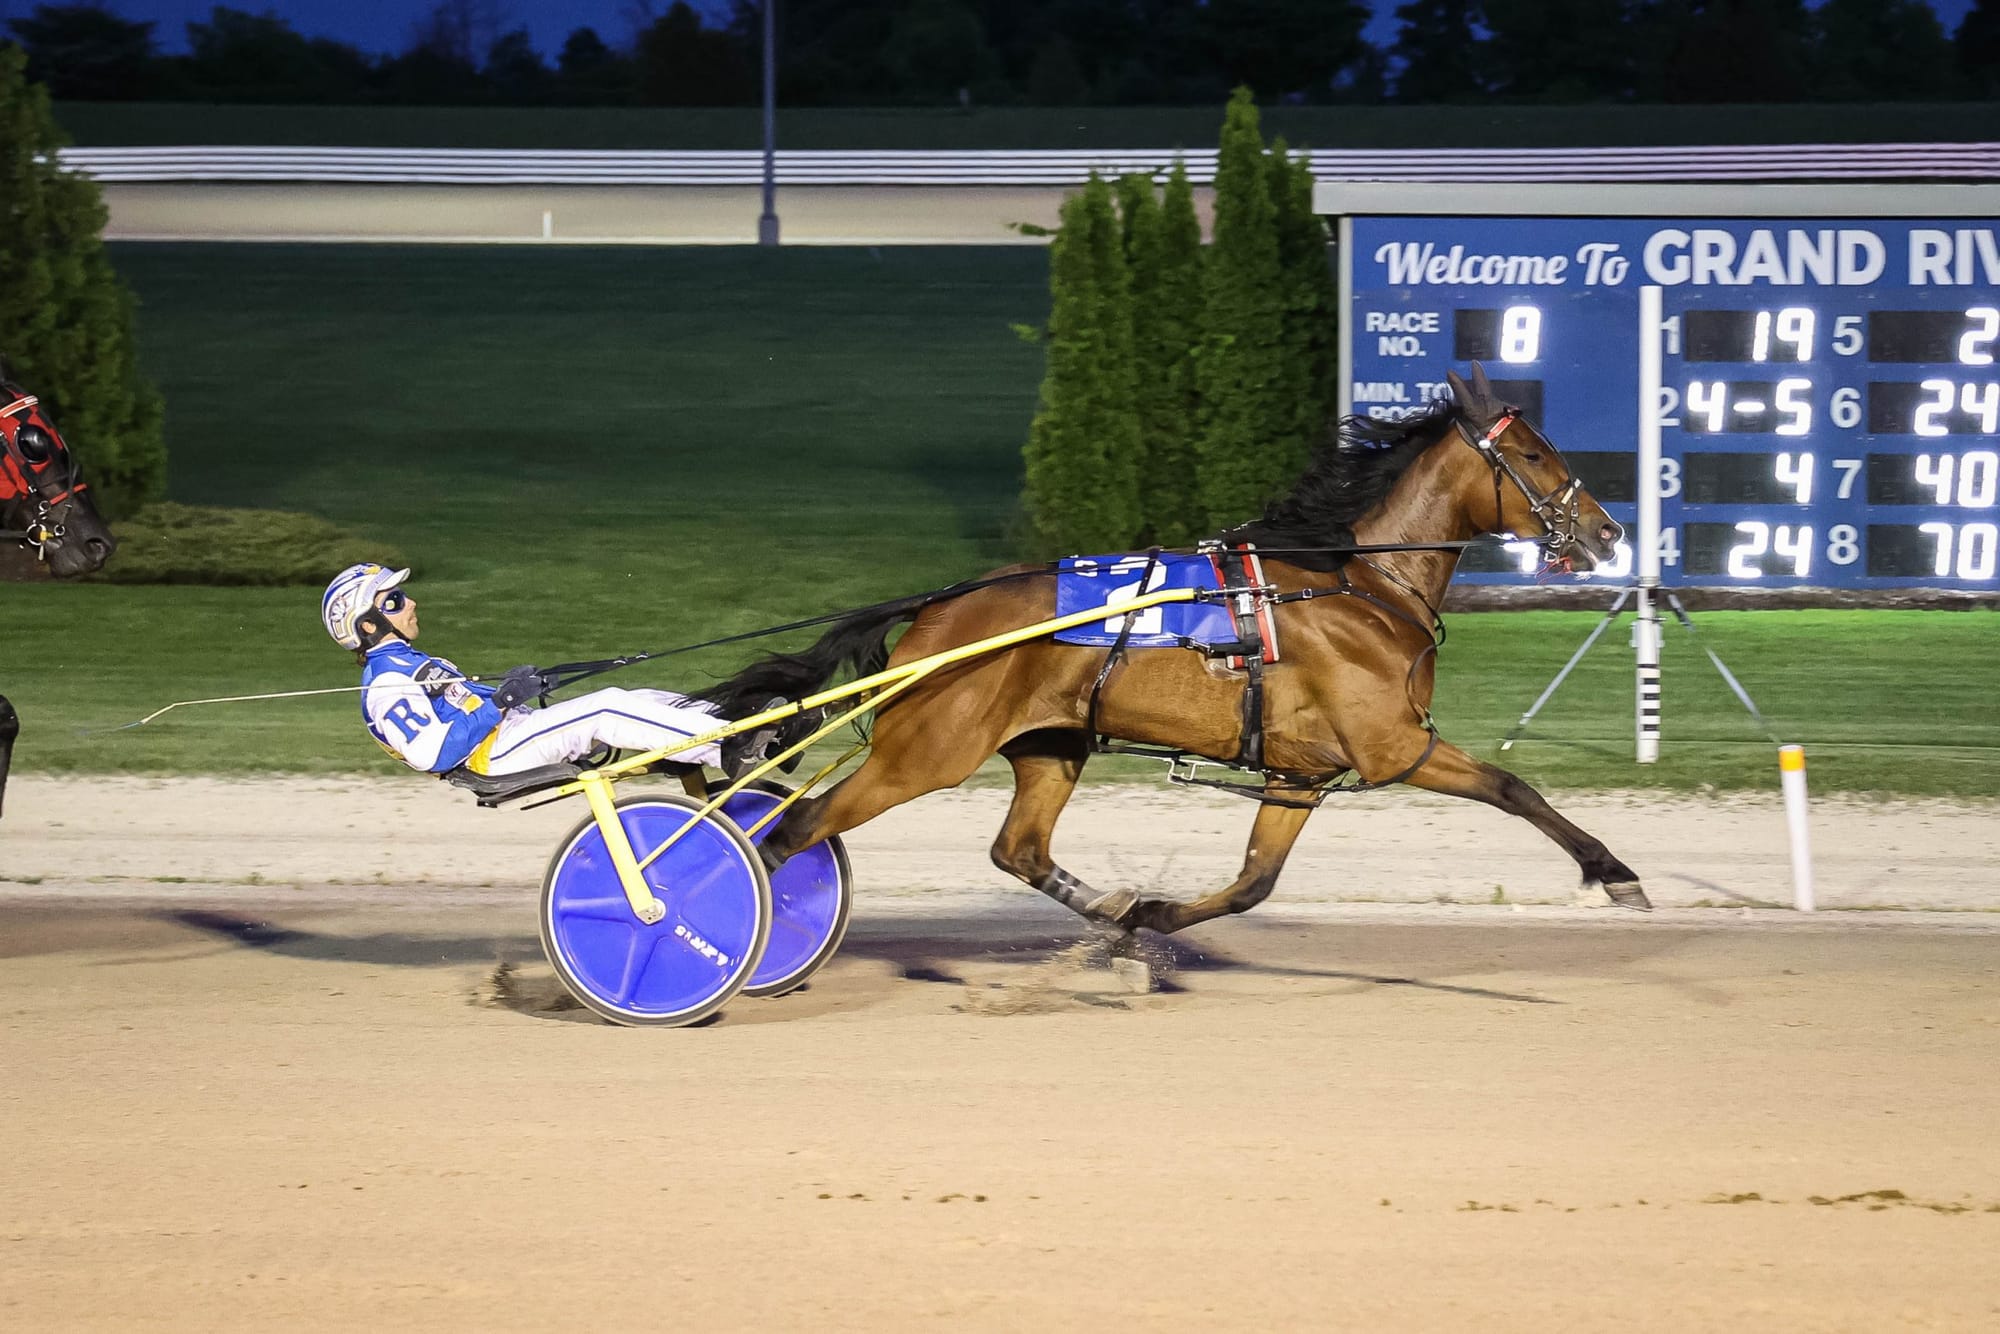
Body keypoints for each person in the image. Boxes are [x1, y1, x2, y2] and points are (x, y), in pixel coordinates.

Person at [321, 562, 787, 779]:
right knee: (607, 708)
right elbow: (432, 753)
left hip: (506, 733)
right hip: (492, 755)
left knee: (637, 697)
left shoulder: (408, 664)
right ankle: (729, 747)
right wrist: (502, 702)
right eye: (394, 602)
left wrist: (511, 690)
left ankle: (748, 725)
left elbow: (463, 704)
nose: (411, 602)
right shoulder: (387, 685)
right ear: (367, 624)